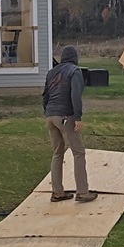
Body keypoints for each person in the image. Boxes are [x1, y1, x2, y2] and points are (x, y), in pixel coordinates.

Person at [42, 45, 97, 203]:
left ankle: (57, 192)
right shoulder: (75, 71)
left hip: (50, 116)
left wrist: (48, 112)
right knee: (78, 153)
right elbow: (75, 95)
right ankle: (82, 192)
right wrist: (78, 117)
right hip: (66, 116)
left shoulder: (52, 72)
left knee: (57, 153)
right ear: (75, 58)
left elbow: (45, 95)